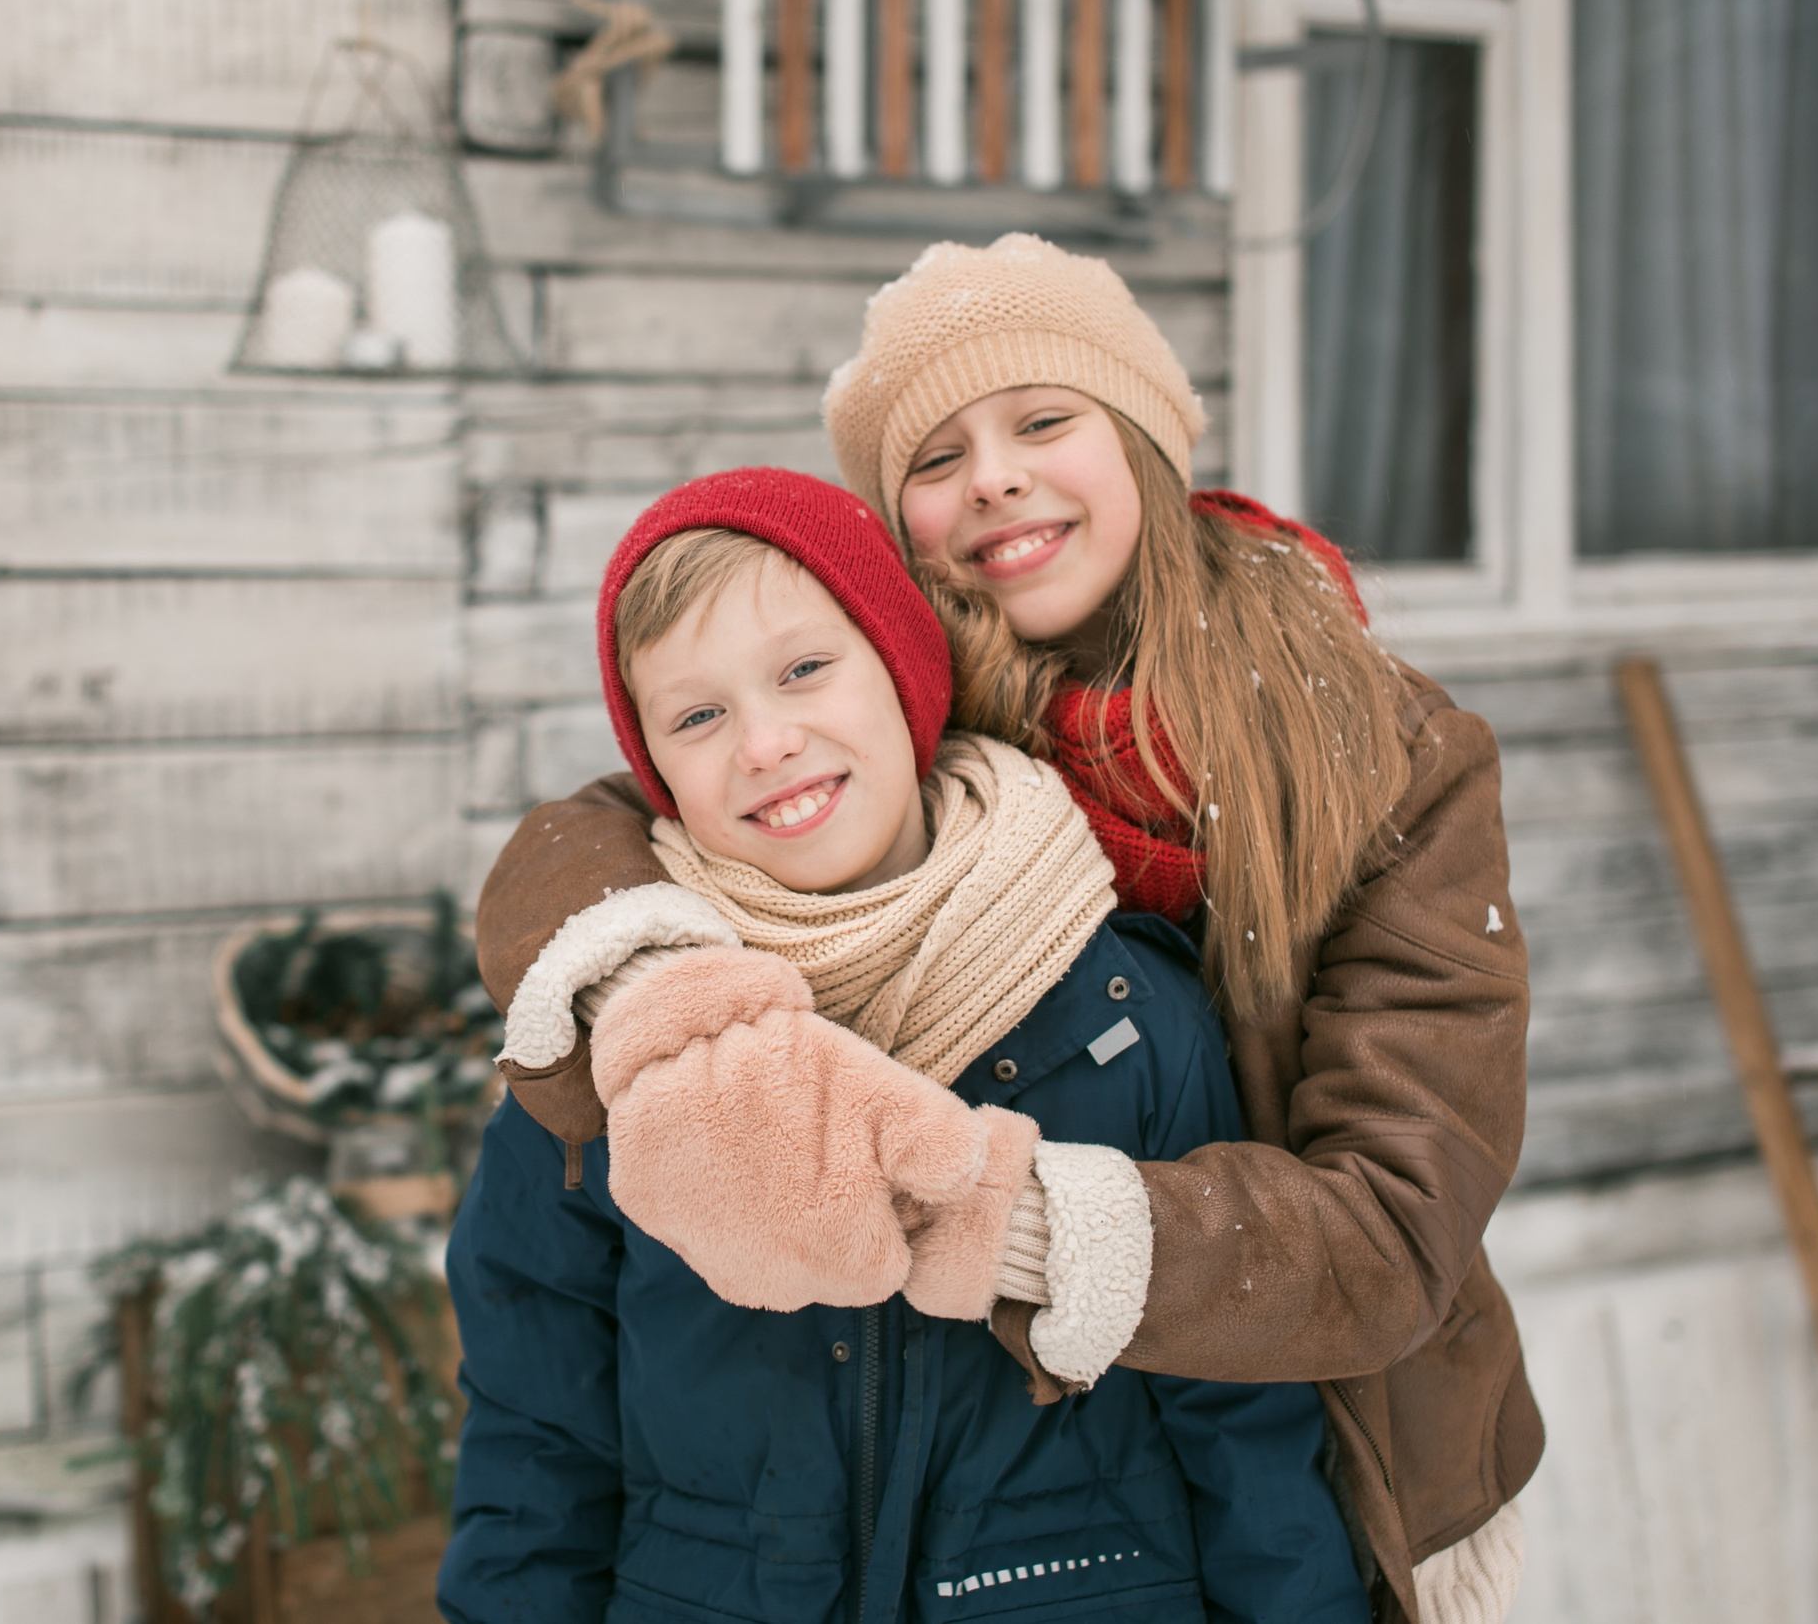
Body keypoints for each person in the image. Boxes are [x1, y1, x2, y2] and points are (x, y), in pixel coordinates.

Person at [471, 237, 1537, 1624]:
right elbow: (610, 827)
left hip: (1356, 1426)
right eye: (934, 457)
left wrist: (989, 1207)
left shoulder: (1379, 747)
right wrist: (655, 1002)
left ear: (1143, 434)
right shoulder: (898, 711)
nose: (994, 477)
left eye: (1044, 419)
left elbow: (1395, 1226)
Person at [438, 470, 1368, 1624]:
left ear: (903, 666)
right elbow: (538, 1423)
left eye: (802, 669)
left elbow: (1240, 1408)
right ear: (658, 777)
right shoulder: (620, 1032)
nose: (767, 741)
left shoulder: (1123, 1006)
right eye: (696, 715)